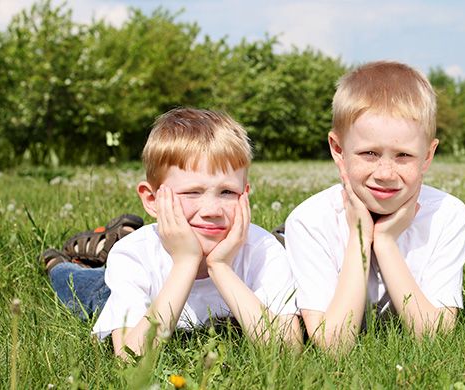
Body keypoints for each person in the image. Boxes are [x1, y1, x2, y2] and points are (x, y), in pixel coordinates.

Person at [42, 108, 302, 356]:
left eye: (227, 192)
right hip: (122, 287)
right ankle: (62, 261)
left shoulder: (263, 249)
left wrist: (220, 266)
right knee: (87, 289)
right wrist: (186, 262)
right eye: (191, 192)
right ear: (152, 200)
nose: (212, 210)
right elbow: (131, 357)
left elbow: (287, 351)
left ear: (245, 195)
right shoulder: (134, 255)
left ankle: (112, 238)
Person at [283, 61, 465, 352]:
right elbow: (334, 346)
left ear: (428, 155)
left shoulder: (447, 214)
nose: (385, 173)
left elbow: (434, 338)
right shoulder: (309, 221)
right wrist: (360, 235)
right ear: (338, 149)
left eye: (403, 155)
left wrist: (384, 242)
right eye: (369, 153)